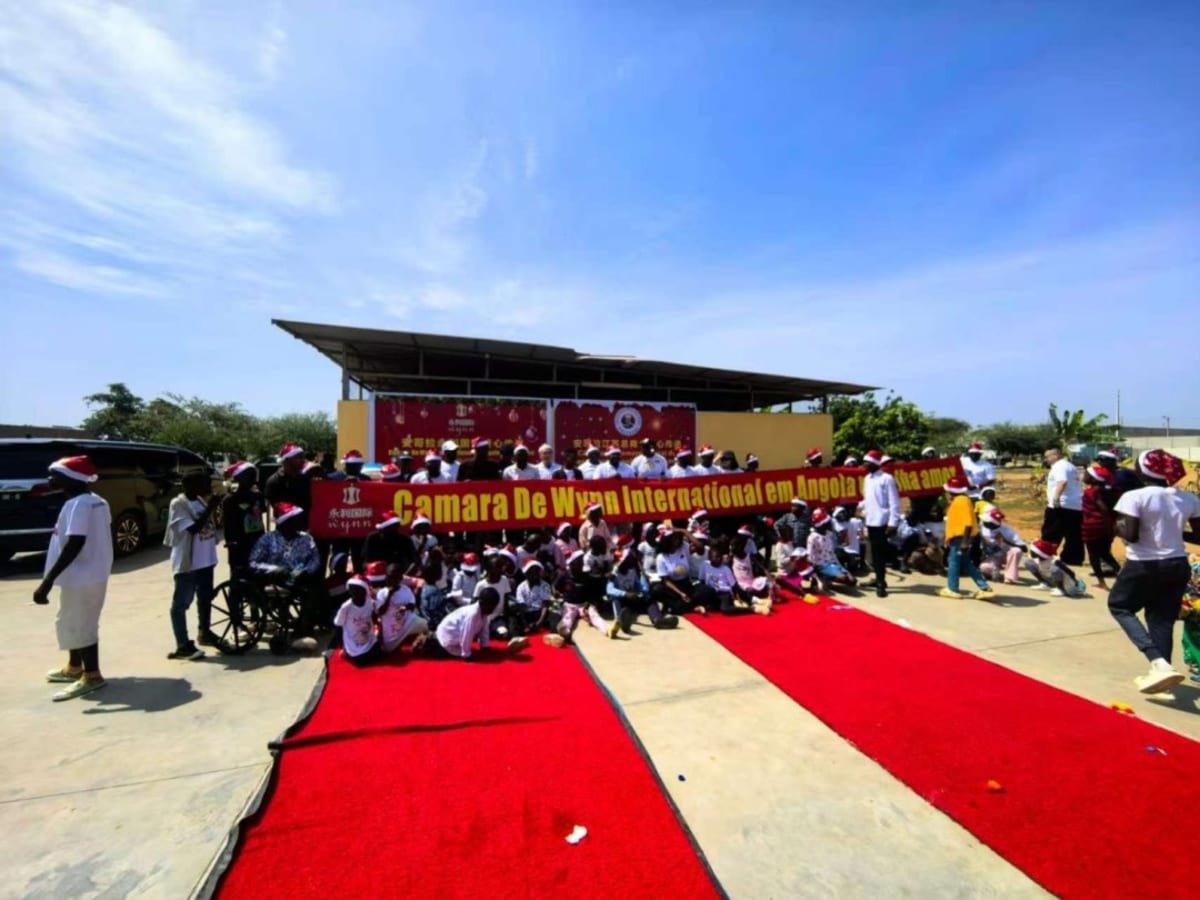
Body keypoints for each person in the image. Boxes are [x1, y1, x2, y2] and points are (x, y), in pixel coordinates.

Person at [1108, 449, 1200, 695]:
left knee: (1120, 606)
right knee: (1161, 620)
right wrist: (1174, 532)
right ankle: (1163, 674)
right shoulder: (1188, 499)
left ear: (1143, 471)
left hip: (1144, 564)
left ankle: (1157, 661)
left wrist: (1116, 522)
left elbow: (1130, 535)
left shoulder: (1134, 497)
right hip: (1177, 564)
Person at [35, 456, 113, 702]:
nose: (50, 479)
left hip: (82, 575)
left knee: (81, 624)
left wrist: (47, 580)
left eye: (55, 475)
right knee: (71, 619)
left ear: (72, 478)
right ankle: (74, 667)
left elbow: (75, 542)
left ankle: (92, 675)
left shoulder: (78, 504)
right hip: (90, 573)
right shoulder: (97, 501)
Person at [164, 471, 221, 659]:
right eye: (204, 484)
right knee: (181, 604)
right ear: (191, 485)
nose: (208, 488)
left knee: (205, 599)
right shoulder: (178, 504)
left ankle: (204, 632)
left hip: (206, 561)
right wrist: (210, 509)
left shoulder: (200, 500)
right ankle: (182, 644)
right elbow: (193, 529)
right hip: (189, 563)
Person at [249, 503, 324, 631]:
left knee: (316, 588)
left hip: (300, 577)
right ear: (285, 522)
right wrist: (274, 569)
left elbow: (315, 559)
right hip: (276, 579)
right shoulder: (268, 539)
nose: (299, 522)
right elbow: (254, 562)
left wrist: (306, 571)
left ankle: (305, 624)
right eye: (294, 520)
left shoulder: (306, 538)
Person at [940, 476, 994, 600]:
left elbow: (968, 522)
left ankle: (952, 589)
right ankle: (985, 588)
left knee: (953, 562)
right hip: (960, 537)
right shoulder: (961, 499)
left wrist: (965, 542)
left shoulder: (961, 501)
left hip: (960, 538)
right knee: (966, 563)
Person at [859, 449, 902, 597]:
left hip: (882, 521)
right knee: (873, 553)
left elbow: (894, 502)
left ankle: (880, 583)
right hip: (870, 520)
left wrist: (893, 523)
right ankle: (878, 578)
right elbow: (867, 499)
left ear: (875, 464)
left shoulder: (887, 478)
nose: (864, 465)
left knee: (879, 554)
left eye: (867, 463)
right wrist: (859, 508)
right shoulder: (867, 479)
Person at [1042, 447, 1085, 565]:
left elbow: (1062, 482)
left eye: (1047, 457)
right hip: (1075, 505)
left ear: (1055, 456)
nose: (1046, 460)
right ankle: (1073, 558)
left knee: (1051, 531)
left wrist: (1056, 498)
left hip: (1061, 504)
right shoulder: (1070, 466)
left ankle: (1044, 554)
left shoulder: (1059, 466)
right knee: (1074, 533)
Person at [375, 564, 429, 655]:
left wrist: (406, 607)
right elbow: (380, 612)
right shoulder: (382, 593)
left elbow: (412, 605)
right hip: (391, 631)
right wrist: (389, 595)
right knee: (388, 651)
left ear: (399, 579)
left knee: (427, 625)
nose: (390, 580)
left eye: (393, 578)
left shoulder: (405, 590)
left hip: (408, 623)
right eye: (388, 577)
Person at [1082, 464, 1120, 591]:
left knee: (1094, 555)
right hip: (1107, 526)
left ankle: (1101, 582)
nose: (1084, 476)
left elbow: (1103, 508)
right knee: (1105, 553)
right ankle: (1120, 574)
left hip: (1094, 526)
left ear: (1094, 479)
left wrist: (1109, 524)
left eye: (1087, 474)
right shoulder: (1111, 492)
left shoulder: (1091, 492)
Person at [332, 575, 381, 666]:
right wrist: (342, 647)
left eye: (357, 590)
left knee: (379, 654)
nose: (354, 593)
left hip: (369, 638)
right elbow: (338, 626)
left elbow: (375, 617)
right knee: (360, 662)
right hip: (353, 642)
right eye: (352, 590)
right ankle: (348, 653)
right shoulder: (346, 607)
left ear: (364, 591)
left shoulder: (370, 603)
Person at [653, 530, 704, 613]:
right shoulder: (661, 557)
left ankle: (682, 605)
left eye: (677, 537)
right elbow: (665, 580)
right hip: (672, 587)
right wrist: (681, 593)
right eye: (674, 538)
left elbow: (700, 549)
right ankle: (691, 607)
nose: (677, 540)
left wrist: (685, 532)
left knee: (706, 591)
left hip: (686, 584)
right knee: (657, 590)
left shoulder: (683, 548)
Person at [806, 508, 856, 590]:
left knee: (852, 581)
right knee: (843, 578)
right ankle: (823, 577)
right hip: (821, 565)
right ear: (823, 524)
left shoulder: (829, 534)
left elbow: (832, 553)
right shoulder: (813, 537)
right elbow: (810, 557)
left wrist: (840, 566)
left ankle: (831, 575)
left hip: (833, 563)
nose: (830, 523)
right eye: (828, 522)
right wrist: (814, 577)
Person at [978, 508, 1026, 584]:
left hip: (1006, 555)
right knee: (983, 568)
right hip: (992, 557)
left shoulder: (1007, 531)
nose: (983, 522)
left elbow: (1024, 548)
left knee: (1016, 550)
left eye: (986, 521)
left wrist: (1005, 541)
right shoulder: (981, 528)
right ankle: (994, 572)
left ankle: (1010, 577)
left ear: (992, 523)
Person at [265, 443, 311, 511]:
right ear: (287, 460)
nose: (303, 460)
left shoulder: (305, 479)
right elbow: (278, 507)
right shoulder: (274, 481)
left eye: (303, 457)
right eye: (299, 457)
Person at [512, 560, 553, 635]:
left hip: (540, 613)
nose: (535, 574)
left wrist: (539, 622)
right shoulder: (521, 587)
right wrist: (525, 624)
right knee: (514, 619)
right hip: (526, 614)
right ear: (526, 573)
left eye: (537, 571)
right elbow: (521, 607)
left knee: (553, 617)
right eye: (532, 572)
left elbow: (545, 605)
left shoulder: (545, 585)